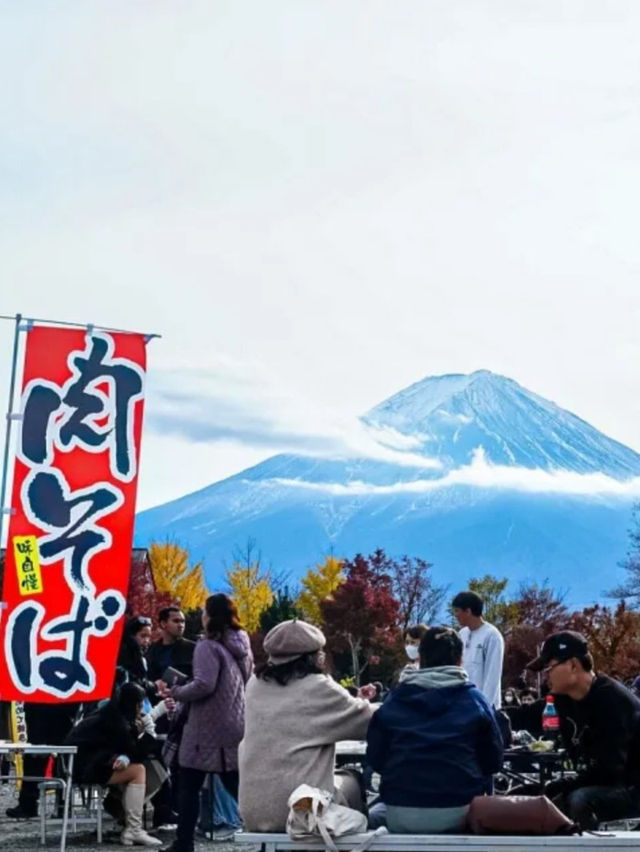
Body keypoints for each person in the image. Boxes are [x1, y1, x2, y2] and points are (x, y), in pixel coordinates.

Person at [239, 618, 374, 832]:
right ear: (314, 655)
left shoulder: (254, 685)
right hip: (299, 811)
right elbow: (366, 721)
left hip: (254, 810)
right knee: (352, 779)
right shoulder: (317, 686)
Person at [366, 626, 503, 833]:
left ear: (420, 658)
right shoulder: (476, 701)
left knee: (373, 813)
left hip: (400, 811)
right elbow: (493, 762)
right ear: (460, 660)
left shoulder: (394, 700)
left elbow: (376, 759)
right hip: (461, 811)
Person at [161, 594, 253, 852]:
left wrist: (176, 691)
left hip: (206, 725)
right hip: (235, 720)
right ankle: (264, 831)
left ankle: (184, 843)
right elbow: (248, 679)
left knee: (188, 783)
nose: (201, 616)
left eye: (204, 612)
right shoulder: (242, 643)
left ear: (211, 616)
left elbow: (204, 684)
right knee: (237, 783)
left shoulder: (207, 646)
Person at [525, 630, 640, 829]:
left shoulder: (612, 701)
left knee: (579, 799)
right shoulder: (563, 698)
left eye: (549, 668)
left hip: (630, 786)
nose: (546, 676)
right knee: (524, 796)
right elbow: (527, 714)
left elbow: (610, 771)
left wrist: (560, 788)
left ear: (573, 665)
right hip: (601, 780)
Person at [64, 682, 162, 847]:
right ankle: (133, 828)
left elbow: (125, 749)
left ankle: (125, 819)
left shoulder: (108, 715)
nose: (141, 710)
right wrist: (149, 731)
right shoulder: (116, 722)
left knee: (136, 769)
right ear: (134, 705)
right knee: (138, 770)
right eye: (140, 705)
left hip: (80, 764)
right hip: (87, 768)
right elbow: (135, 753)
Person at [6, 702, 80, 819]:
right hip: (42, 713)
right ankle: (29, 805)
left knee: (62, 764)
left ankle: (63, 807)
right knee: (35, 759)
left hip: (57, 713)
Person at [452, 590, 504, 708]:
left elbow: (493, 675)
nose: (456, 615)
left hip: (484, 707)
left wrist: (483, 707)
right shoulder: (462, 634)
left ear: (468, 611)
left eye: (457, 611)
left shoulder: (492, 636)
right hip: (464, 705)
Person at [146, 607, 195, 682]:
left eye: (183, 621)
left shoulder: (192, 648)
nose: (181, 625)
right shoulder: (152, 650)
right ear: (163, 623)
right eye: (176, 621)